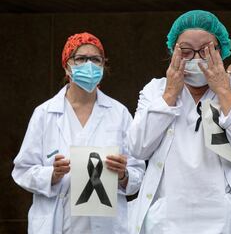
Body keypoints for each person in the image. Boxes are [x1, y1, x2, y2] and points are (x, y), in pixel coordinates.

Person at [127, 10, 231, 234]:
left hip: (226, 218)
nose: (197, 59)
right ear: (173, 51)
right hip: (168, 219)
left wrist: (224, 91)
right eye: (186, 51)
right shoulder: (156, 89)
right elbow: (137, 147)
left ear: (221, 50)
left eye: (206, 50)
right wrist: (169, 95)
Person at [12, 32, 145, 234]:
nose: (89, 65)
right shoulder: (44, 114)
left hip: (106, 224)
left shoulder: (119, 114)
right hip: (57, 221)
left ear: (103, 66)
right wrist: (52, 174)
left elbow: (139, 172)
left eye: (95, 59)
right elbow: (22, 170)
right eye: (81, 58)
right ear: (67, 65)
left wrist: (123, 175)